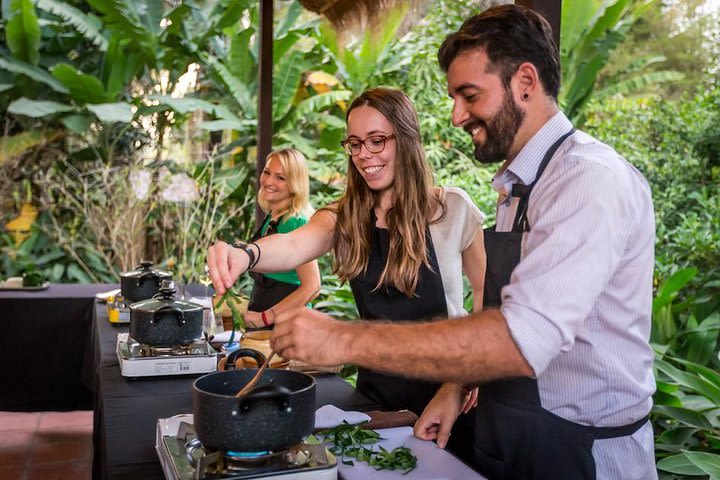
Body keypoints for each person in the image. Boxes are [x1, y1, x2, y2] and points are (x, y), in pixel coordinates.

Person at [263, 5, 657, 480]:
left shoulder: (587, 180)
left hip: (581, 453)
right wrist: (456, 386)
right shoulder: (516, 188)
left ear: (525, 83)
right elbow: (496, 310)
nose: (455, 116)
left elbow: (517, 338)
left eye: (469, 95)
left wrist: (342, 337)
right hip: (509, 438)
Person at [208, 87, 487, 419]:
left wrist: (464, 379)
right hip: (376, 400)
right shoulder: (345, 216)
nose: (363, 154)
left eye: (377, 140)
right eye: (355, 143)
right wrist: (245, 254)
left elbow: (487, 291)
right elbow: (295, 245)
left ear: (407, 138)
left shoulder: (453, 208)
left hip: (448, 398)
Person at [242, 148, 320, 328]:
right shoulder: (273, 216)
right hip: (267, 324)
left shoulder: (296, 222)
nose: (269, 181)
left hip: (288, 325)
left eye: (281, 177)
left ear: (295, 184)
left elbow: (312, 286)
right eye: (267, 172)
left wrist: (265, 318)